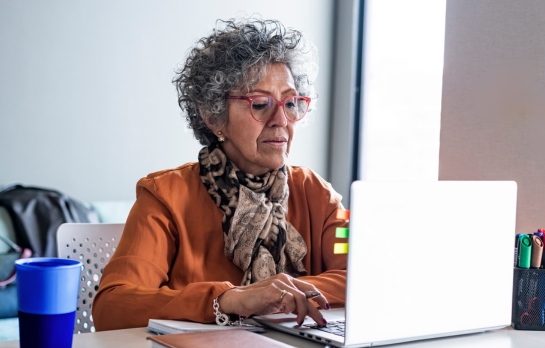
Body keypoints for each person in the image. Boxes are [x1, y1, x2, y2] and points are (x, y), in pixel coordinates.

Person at [93, 18, 347, 331]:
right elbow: (113, 306)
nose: (281, 119)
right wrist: (230, 299)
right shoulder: (165, 196)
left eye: (291, 102)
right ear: (213, 116)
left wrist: (281, 295)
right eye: (261, 103)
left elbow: (360, 276)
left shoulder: (316, 194)